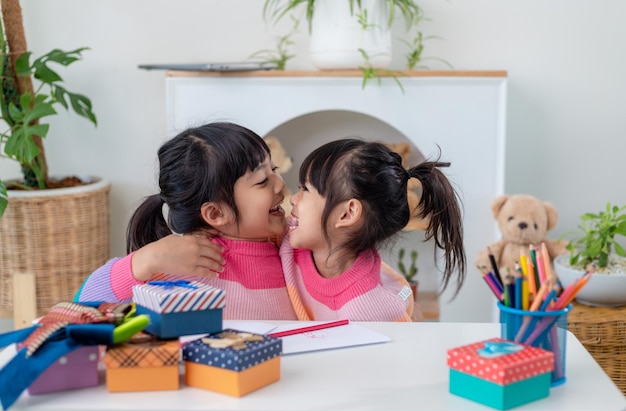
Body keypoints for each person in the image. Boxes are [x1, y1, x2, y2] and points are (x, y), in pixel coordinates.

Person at [75, 122, 297, 320]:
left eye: (274, 170)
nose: (279, 184)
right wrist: (146, 260)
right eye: (262, 181)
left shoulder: (291, 244)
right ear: (216, 214)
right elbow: (81, 309)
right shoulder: (187, 262)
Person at [280, 138, 466, 322]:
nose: (293, 199)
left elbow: (401, 295)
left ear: (347, 214)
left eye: (305, 189)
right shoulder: (288, 239)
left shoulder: (370, 311)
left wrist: (407, 305)